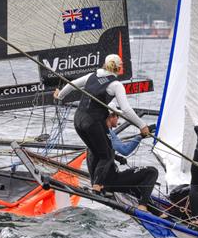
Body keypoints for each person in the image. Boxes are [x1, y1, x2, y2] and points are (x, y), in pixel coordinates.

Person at [54, 54, 159, 210]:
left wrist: (59, 95)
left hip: (78, 120)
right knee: (107, 154)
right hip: (93, 122)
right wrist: (142, 126)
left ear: (104, 64)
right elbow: (126, 110)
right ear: (119, 68)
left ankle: (97, 184)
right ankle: (97, 187)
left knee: (97, 151)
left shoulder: (92, 75)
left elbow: (71, 85)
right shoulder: (116, 85)